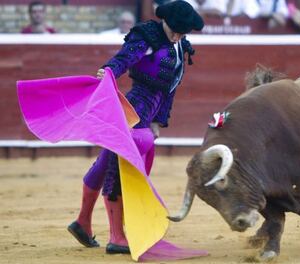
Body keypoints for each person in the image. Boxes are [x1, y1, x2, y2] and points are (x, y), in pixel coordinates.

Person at [67, 0, 204, 254]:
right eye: (175, 30)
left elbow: (170, 89)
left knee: (107, 160)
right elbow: (125, 58)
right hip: (133, 108)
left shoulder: (180, 46)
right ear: (165, 21)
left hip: (147, 112)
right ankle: (116, 236)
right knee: (118, 166)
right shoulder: (148, 36)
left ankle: (83, 222)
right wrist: (109, 70)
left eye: (182, 32)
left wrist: (157, 120)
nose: (177, 36)